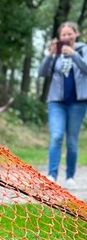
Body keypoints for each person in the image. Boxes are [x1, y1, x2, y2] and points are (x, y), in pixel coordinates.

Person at [38, 21, 87, 189]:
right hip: (57, 102)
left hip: (78, 102)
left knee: (72, 141)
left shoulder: (83, 50)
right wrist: (50, 55)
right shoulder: (56, 53)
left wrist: (74, 55)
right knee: (57, 137)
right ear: (60, 37)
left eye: (69, 34)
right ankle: (52, 175)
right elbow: (42, 72)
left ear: (76, 34)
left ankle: (70, 176)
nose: (66, 37)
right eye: (63, 35)